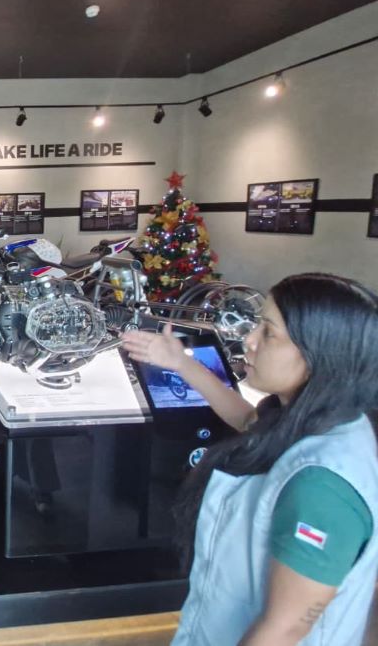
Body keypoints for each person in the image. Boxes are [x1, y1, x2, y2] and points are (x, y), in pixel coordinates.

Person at [121, 273, 378, 646]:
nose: (249, 340)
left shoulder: (322, 484)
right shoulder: (316, 421)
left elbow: (284, 629)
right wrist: (181, 363)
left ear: (318, 353)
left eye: (268, 333)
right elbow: (246, 419)